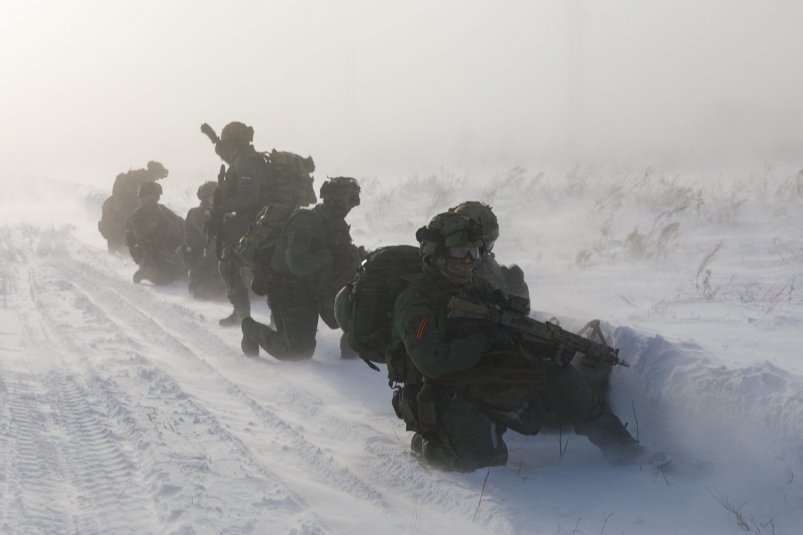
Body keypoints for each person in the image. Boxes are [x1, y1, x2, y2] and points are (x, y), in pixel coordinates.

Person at [390, 211, 649, 472]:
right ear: (436, 253)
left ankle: (624, 450)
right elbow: (433, 362)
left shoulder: (475, 287)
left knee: (562, 377)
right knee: (480, 462)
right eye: (460, 252)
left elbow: (508, 327)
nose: (469, 260)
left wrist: (542, 344)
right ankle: (425, 442)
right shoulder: (416, 302)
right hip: (448, 388)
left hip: (488, 374)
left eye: (475, 252)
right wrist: (485, 339)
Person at [241, 177, 364, 360]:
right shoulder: (305, 222)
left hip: (311, 285)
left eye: (355, 200)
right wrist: (327, 256)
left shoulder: (337, 224)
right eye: (349, 199)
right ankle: (250, 329)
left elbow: (342, 252)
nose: (351, 205)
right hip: (287, 287)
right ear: (333, 199)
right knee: (297, 352)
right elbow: (296, 264)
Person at [207, 121, 278, 327]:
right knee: (262, 266)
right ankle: (270, 317)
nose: (226, 147)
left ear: (234, 142)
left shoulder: (246, 163)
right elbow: (226, 155)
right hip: (260, 218)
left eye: (227, 142)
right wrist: (213, 139)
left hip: (255, 220)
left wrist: (223, 207)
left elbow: (250, 197)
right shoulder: (245, 158)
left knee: (232, 264)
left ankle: (243, 314)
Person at [449, 201, 529, 300]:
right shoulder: (452, 265)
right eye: (484, 243)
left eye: (488, 244)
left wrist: (517, 288)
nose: (484, 251)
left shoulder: (484, 262)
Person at [98, 161, 169, 254]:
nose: (158, 179)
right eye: (158, 176)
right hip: (125, 211)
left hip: (118, 214)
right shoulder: (145, 180)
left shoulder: (138, 176)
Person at [125, 181, 186, 285]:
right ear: (142, 198)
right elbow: (143, 233)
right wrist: (158, 220)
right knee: (162, 279)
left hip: (166, 249)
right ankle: (144, 272)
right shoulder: (137, 215)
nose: (151, 199)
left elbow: (179, 222)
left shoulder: (161, 209)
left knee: (183, 271)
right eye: (148, 197)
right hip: (148, 253)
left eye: (154, 196)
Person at [179, 181, 226, 300]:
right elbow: (210, 235)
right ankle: (198, 284)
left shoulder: (220, 212)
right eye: (212, 197)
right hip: (200, 258)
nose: (216, 199)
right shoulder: (196, 213)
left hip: (214, 256)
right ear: (205, 198)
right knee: (209, 290)